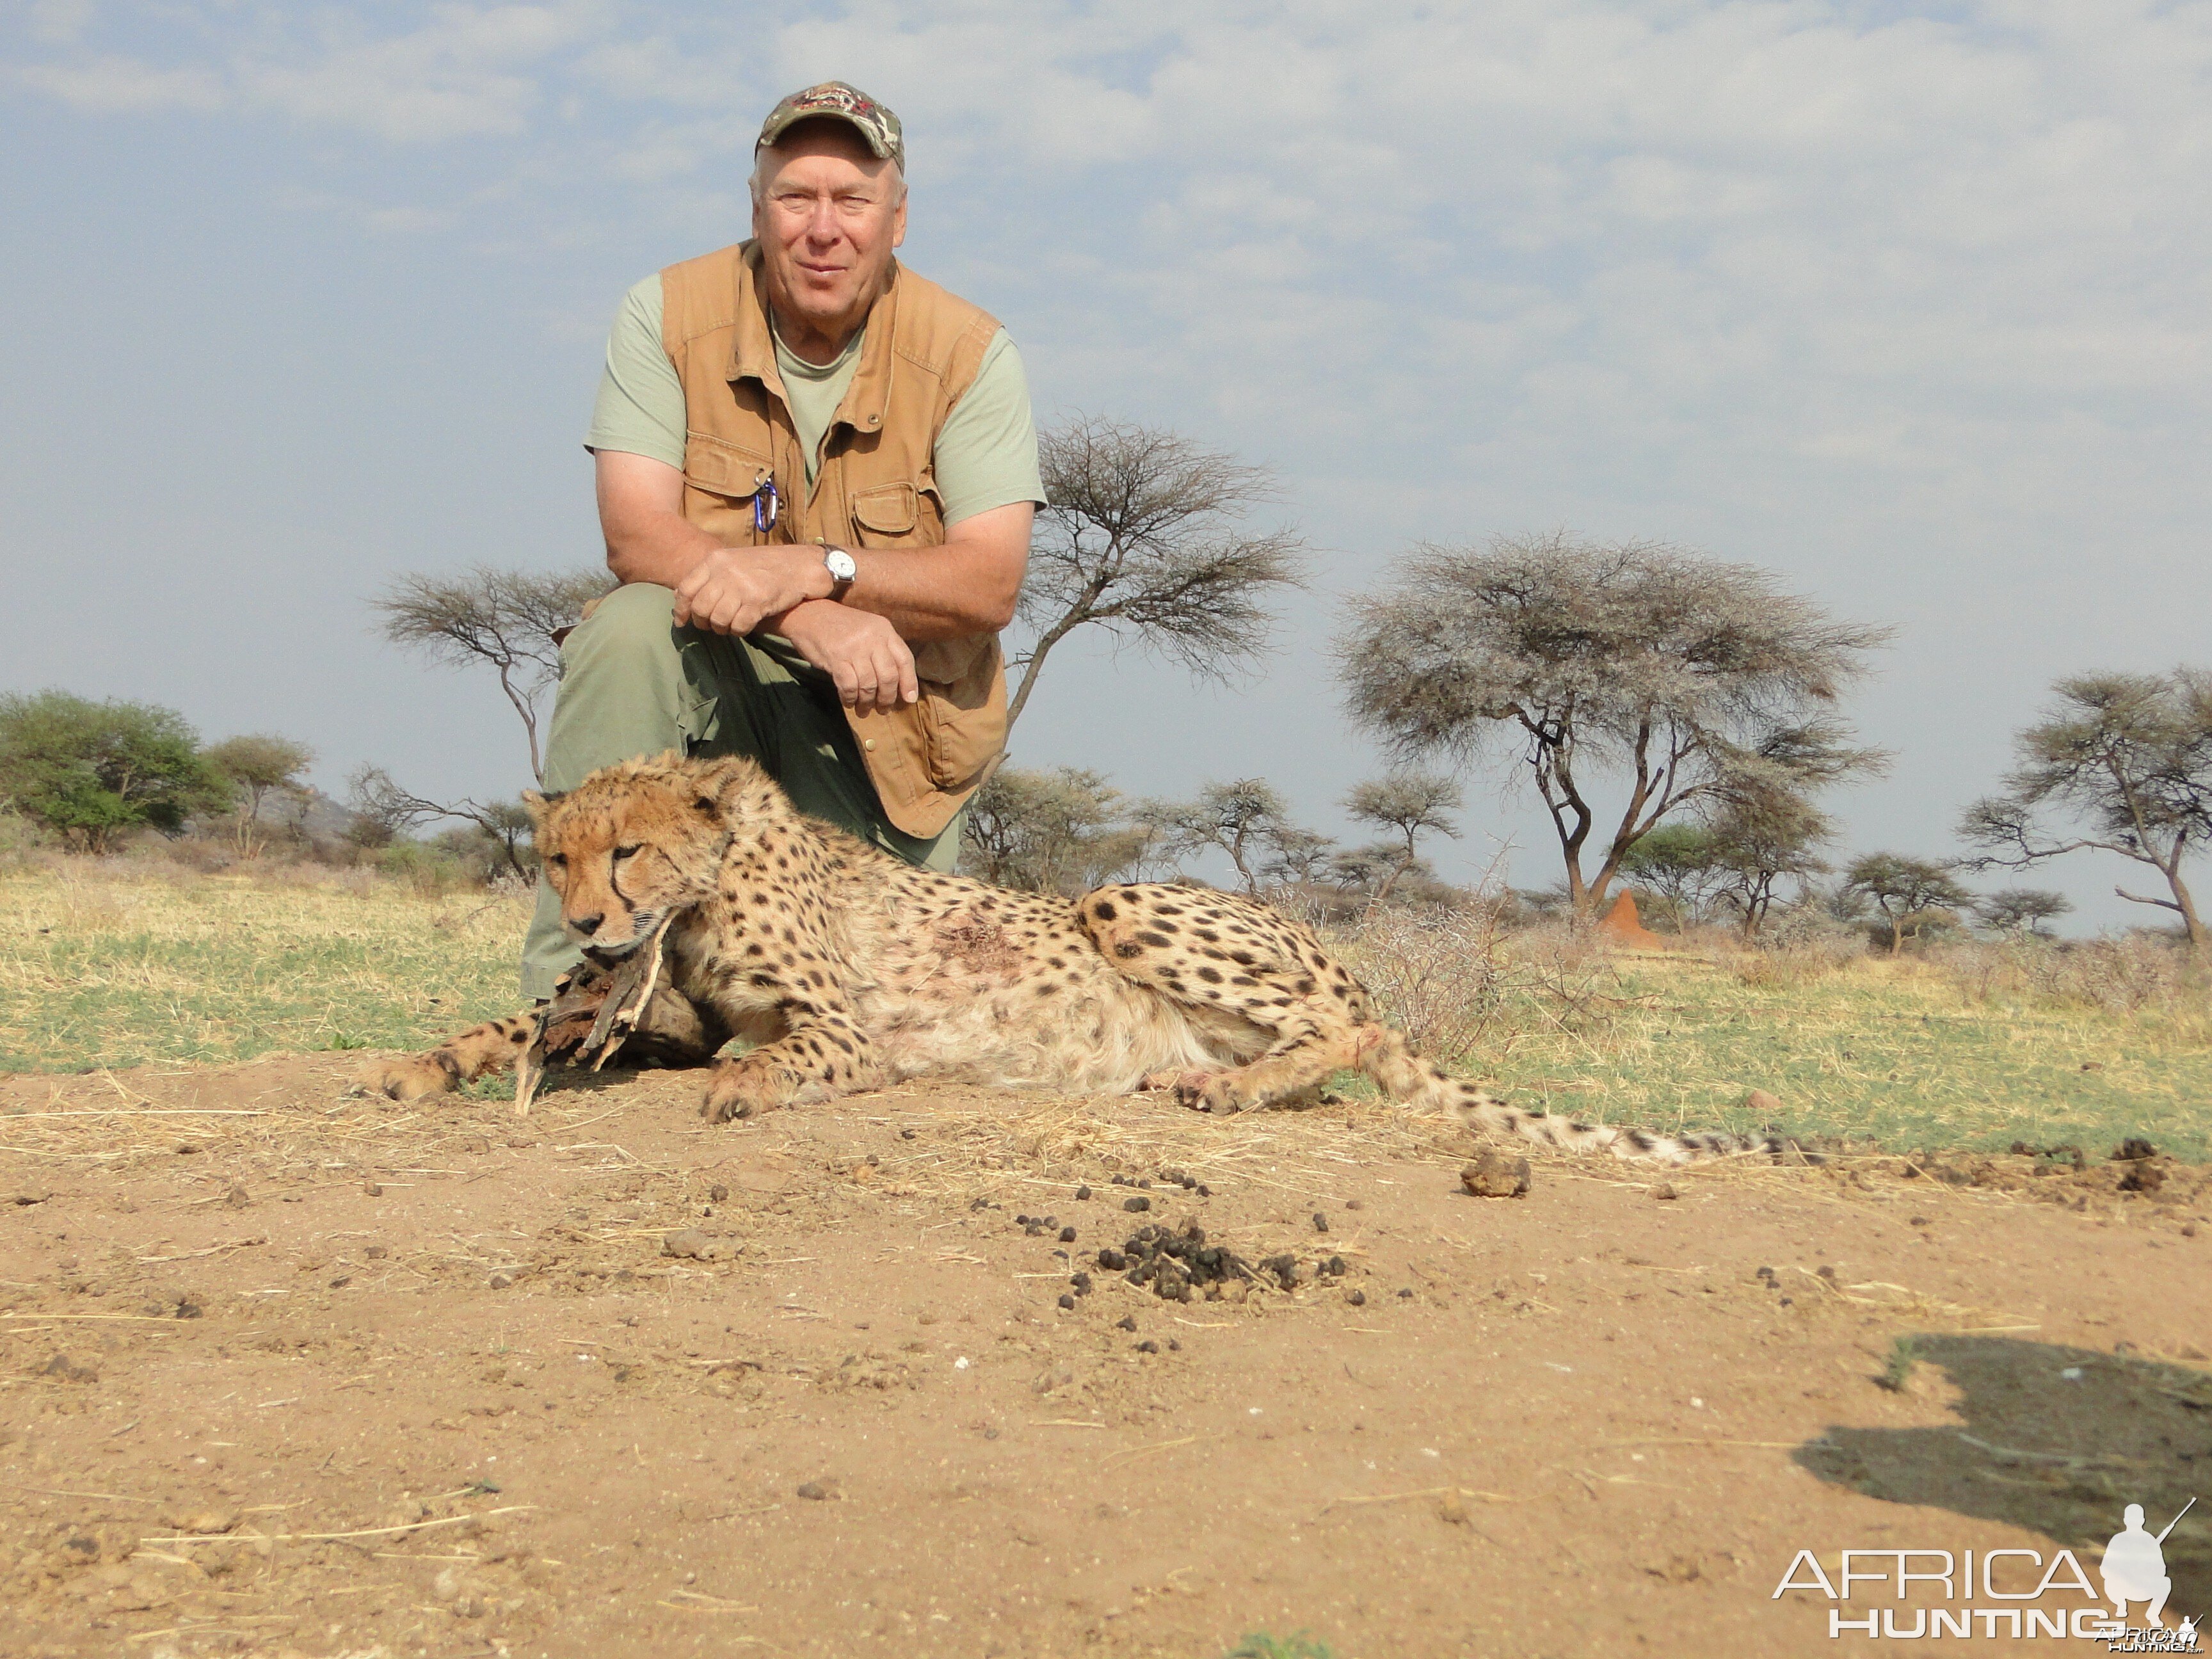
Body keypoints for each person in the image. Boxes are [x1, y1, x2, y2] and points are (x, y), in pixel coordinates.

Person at [522, 81, 1043, 998]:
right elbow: (636, 532)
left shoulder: (972, 350)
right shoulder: (664, 312)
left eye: (853, 199)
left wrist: (820, 570)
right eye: (796, 197)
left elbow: (990, 583)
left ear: (899, 217)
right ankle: (574, 1000)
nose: (823, 226)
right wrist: (812, 616)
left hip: (885, 735)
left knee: (885, 1005)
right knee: (630, 626)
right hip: (719, 703)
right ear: (757, 208)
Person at [2099, 1503, 2173, 1628]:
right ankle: (2121, 1605)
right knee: (2110, 1580)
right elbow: (2105, 1569)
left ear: (2125, 1520)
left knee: (2166, 1582)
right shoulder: (2119, 1540)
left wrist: (2144, 1569)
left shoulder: (2150, 1541)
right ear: (2142, 1520)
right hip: (2121, 1589)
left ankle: (2153, 1614)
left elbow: (2161, 1571)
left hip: (2142, 1589)